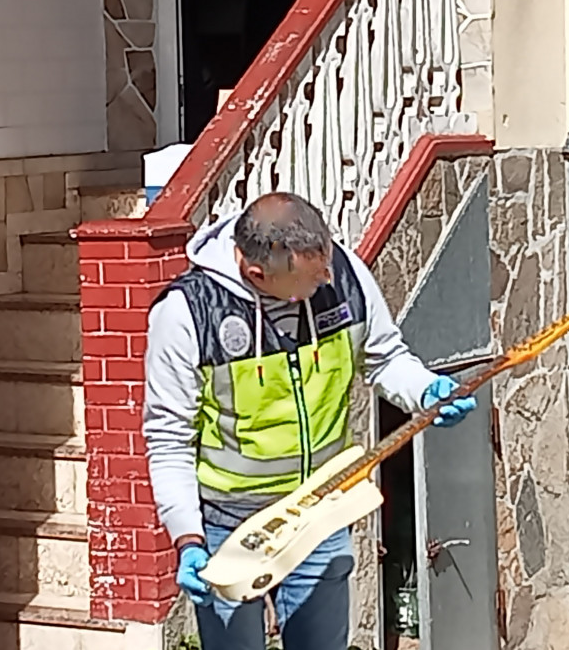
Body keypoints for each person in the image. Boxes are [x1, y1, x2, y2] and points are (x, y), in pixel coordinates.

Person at [142, 192, 477, 650]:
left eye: (326, 262)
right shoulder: (187, 314)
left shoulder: (344, 273)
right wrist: (187, 537)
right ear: (257, 273)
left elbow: (384, 358)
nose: (327, 278)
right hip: (229, 526)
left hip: (320, 513)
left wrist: (424, 390)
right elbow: (168, 437)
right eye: (312, 276)